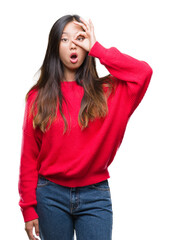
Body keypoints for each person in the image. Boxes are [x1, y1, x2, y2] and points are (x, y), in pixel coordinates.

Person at [18, 14, 153, 240]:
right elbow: (29, 156)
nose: (73, 44)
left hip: (95, 195)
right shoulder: (38, 97)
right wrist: (28, 207)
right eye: (64, 39)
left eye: (79, 38)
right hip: (50, 195)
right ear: (55, 47)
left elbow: (143, 72)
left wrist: (98, 49)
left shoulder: (109, 92)